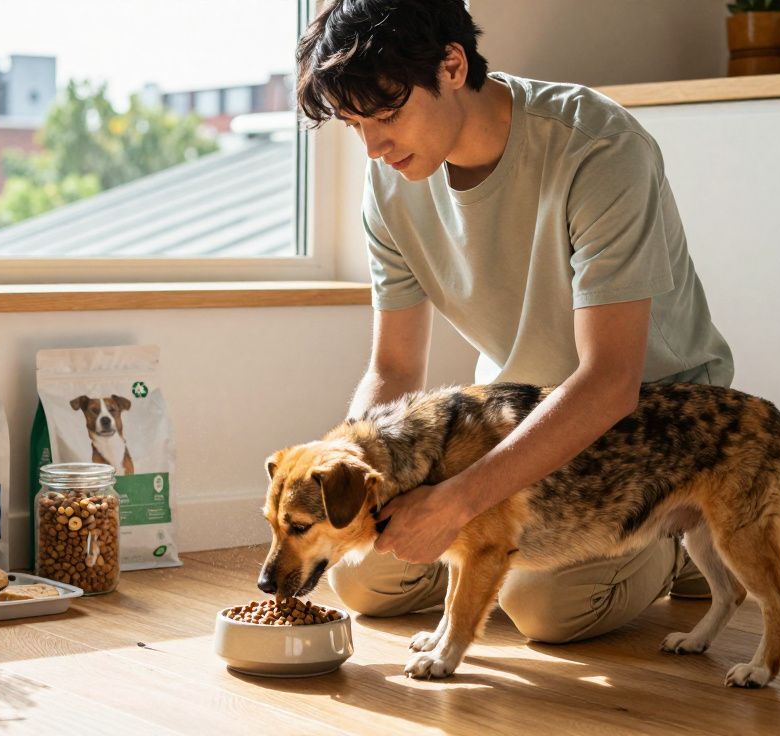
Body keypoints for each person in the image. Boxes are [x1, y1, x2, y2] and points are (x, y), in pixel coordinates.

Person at [296, 0, 733, 643]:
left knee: (546, 608)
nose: (373, 146)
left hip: (646, 432)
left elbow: (610, 381)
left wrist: (457, 502)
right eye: (353, 123)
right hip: (508, 423)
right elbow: (392, 367)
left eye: (387, 115)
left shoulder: (598, 147)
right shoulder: (389, 182)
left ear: (452, 65)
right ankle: (494, 553)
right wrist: (346, 466)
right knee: (364, 578)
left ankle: (679, 535)